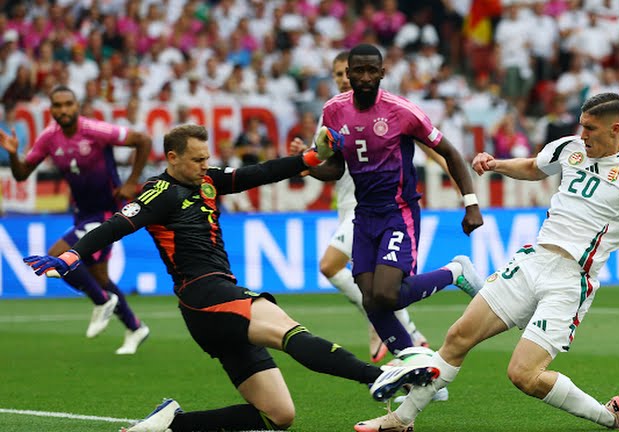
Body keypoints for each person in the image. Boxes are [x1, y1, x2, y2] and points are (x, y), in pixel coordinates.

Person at [22, 123, 439, 432]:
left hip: (214, 309)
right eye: (197, 160)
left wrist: (310, 158)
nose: (205, 166)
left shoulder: (207, 180)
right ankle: (380, 376)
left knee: (278, 415)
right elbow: (115, 225)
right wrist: (71, 256)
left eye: (207, 158)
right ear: (172, 158)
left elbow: (261, 172)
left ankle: (172, 424)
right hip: (205, 294)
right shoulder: (158, 192)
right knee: (289, 329)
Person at [357, 93, 619, 431]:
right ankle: (400, 420)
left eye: (590, 128)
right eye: (582, 125)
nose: (583, 134)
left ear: (615, 129)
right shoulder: (569, 148)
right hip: (532, 262)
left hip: (570, 281)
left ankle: (610, 417)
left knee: (523, 375)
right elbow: (533, 168)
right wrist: (496, 165)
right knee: (458, 337)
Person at [314, 43, 485, 358]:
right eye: (359, 71)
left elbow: (449, 151)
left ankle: (455, 272)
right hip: (363, 216)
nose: (366, 77)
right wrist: (308, 166)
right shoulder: (333, 111)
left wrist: (470, 202)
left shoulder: (401, 111)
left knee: (387, 294)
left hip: (398, 213)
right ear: (349, 74)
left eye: (372, 71)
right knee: (370, 299)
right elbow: (336, 167)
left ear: (383, 73)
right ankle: (415, 364)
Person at [289, 51, 432, 364]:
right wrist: (305, 158)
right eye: (339, 74)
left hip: (370, 207)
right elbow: (325, 161)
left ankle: (399, 331)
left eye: (347, 72)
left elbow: (425, 141)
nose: (344, 79)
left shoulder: (385, 111)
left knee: (332, 266)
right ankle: (411, 348)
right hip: (348, 207)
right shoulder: (333, 114)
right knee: (374, 287)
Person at [0, 85, 152, 355]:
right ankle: (135, 326)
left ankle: (102, 301)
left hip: (108, 212)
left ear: (77, 106)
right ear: (51, 109)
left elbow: (143, 140)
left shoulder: (95, 130)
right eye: (57, 105)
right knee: (99, 276)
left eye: (68, 104)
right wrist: (13, 154)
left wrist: (131, 182)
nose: (63, 110)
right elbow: (22, 174)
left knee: (57, 256)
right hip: (83, 213)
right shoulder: (49, 139)